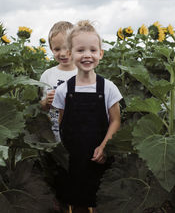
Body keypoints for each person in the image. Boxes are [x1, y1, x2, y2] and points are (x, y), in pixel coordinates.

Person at [52, 20, 122, 213]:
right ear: (70, 53)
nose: (87, 55)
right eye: (80, 50)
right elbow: (62, 121)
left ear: (100, 53)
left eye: (92, 50)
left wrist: (105, 146)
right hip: (73, 156)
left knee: (98, 196)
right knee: (72, 196)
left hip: (98, 154)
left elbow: (115, 120)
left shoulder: (108, 88)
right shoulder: (63, 90)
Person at [40, 21, 77, 142]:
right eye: (57, 49)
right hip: (52, 134)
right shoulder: (47, 75)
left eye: (67, 48)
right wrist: (47, 102)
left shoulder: (83, 73)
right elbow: (41, 107)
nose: (62, 53)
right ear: (51, 48)